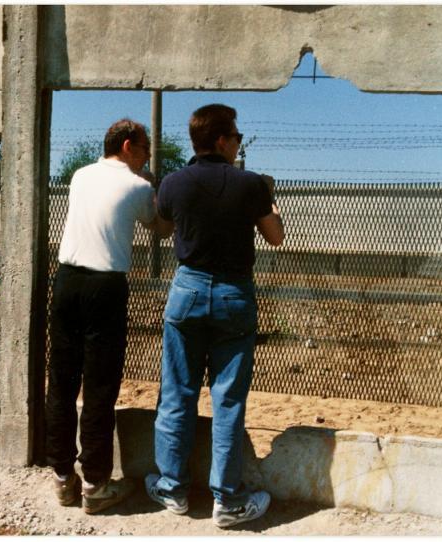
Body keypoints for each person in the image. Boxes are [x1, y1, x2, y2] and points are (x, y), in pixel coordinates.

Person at [145, 104, 284, 528]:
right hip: (232, 293)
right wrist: (268, 199)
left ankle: (172, 489)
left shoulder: (173, 182)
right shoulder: (250, 185)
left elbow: (163, 228)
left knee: (177, 392)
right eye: (237, 136)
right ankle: (228, 500)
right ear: (222, 140)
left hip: (186, 290)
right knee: (227, 400)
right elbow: (275, 237)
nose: (239, 142)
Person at [45, 118, 173, 514]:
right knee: (100, 386)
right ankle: (97, 485)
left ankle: (64, 478)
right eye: (146, 147)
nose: (149, 155)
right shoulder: (138, 186)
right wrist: (160, 191)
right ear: (129, 145)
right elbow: (161, 229)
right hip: (105, 288)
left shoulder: (81, 175)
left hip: (65, 281)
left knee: (62, 382)